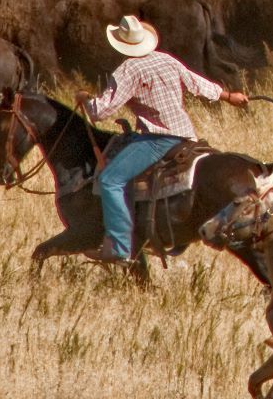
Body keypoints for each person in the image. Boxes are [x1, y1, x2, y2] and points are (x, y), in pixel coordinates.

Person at [82, 14, 248, 266]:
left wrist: (85, 99)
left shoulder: (128, 71)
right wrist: (228, 96)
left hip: (156, 139)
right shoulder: (166, 59)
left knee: (110, 179)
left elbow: (101, 112)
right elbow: (198, 84)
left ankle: (119, 246)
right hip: (186, 135)